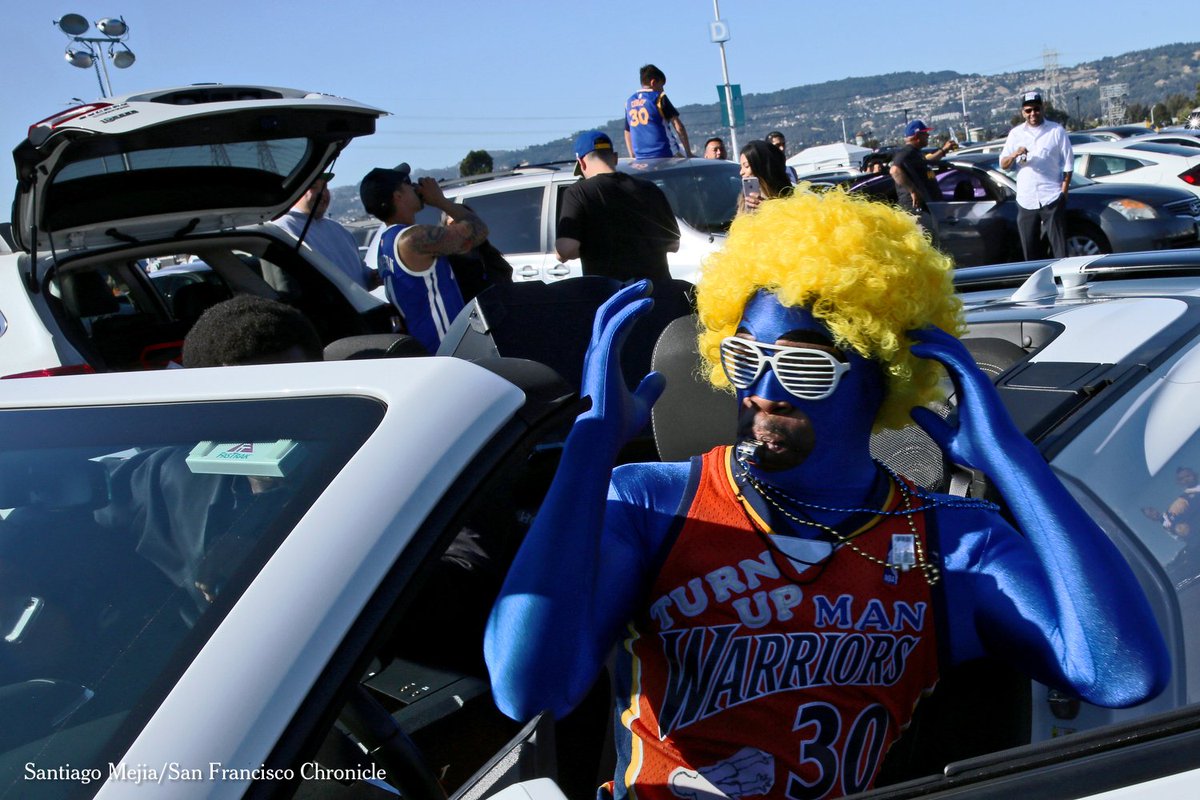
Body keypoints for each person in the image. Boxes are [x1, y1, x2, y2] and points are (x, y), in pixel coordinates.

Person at [486, 190, 1169, 800]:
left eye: (805, 365)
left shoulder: (954, 541)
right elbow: (529, 687)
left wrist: (1015, 462)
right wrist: (587, 449)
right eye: (744, 357)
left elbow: (1121, 675)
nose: (764, 389)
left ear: (883, 378)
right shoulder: (651, 503)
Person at [359, 164, 488, 353]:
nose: (415, 188)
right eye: (408, 184)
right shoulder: (413, 238)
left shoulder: (385, 242)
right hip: (450, 350)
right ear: (398, 195)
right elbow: (479, 230)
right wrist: (440, 201)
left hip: (428, 350)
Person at [555, 130, 680, 282]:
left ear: (581, 162)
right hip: (657, 293)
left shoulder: (578, 192)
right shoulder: (650, 188)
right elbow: (673, 244)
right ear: (614, 158)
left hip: (612, 297)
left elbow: (566, 249)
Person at [999, 91, 1074, 259]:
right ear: (1023, 112)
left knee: (1059, 248)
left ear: (1042, 108)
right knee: (1030, 249)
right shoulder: (1016, 134)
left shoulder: (1056, 130)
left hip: (1051, 196)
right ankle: (1037, 283)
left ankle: (1063, 281)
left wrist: (1064, 192)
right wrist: (1014, 154)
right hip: (1026, 199)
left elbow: (1068, 164)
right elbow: (1003, 164)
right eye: (1028, 110)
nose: (1033, 114)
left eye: (1036, 109)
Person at [270, 172, 374, 291]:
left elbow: (359, 273)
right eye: (313, 187)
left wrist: (371, 277)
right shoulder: (283, 229)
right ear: (296, 191)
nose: (322, 193)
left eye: (325, 187)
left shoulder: (339, 229)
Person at [624, 64, 692, 159]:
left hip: (641, 156)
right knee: (692, 167)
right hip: (665, 152)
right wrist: (688, 153)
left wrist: (632, 155)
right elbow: (678, 126)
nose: (663, 89)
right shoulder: (659, 98)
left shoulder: (629, 102)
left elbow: (627, 131)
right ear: (653, 82)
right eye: (662, 86)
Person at [890, 119, 957, 211]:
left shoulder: (916, 153)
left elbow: (927, 161)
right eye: (925, 133)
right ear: (917, 136)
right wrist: (913, 191)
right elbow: (894, 170)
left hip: (928, 205)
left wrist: (944, 150)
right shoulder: (906, 153)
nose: (928, 136)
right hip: (915, 208)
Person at [736, 139, 793, 215]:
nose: (741, 172)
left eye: (746, 166)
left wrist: (767, 209)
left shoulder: (792, 199)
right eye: (741, 166)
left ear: (762, 168)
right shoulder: (745, 200)